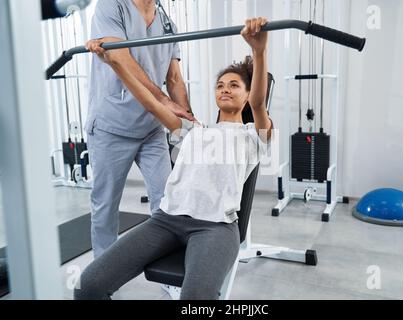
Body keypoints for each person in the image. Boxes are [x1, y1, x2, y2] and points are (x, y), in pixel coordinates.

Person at [75, 17, 273, 300]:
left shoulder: (254, 136)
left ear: (246, 95)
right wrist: (114, 62)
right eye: (220, 85)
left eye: (234, 85)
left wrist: (259, 51)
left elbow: (258, 103)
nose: (225, 88)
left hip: (214, 228)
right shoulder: (193, 129)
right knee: (88, 285)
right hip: (165, 221)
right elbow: (152, 103)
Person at [85, 0, 194, 259]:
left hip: (151, 129)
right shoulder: (112, 6)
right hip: (112, 126)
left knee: (167, 201)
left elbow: (175, 79)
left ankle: (168, 275)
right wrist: (163, 99)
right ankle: (103, 273)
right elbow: (120, 58)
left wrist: (189, 121)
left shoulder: (168, 24)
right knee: (106, 208)